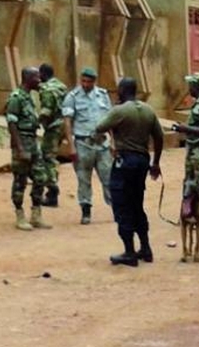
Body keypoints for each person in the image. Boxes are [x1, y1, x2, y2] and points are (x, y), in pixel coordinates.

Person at [94, 77, 163, 267]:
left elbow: (100, 127)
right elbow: (159, 136)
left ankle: (129, 252)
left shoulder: (120, 111)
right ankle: (146, 248)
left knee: (122, 205)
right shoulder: (149, 110)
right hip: (142, 161)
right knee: (137, 204)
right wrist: (155, 162)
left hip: (125, 162)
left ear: (123, 90)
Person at [62, 67, 113, 225]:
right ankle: (86, 212)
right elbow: (67, 122)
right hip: (83, 143)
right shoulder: (72, 97)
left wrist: (114, 142)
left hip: (102, 144)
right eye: (83, 81)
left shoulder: (103, 96)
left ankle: (116, 209)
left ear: (94, 81)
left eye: (88, 81)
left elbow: (110, 119)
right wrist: (71, 146)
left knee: (109, 178)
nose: (85, 84)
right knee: (84, 179)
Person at [6, 67, 51, 231]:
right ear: (28, 78)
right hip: (22, 143)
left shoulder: (30, 98)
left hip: (32, 142)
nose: (39, 80)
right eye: (36, 77)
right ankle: (20, 215)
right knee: (20, 181)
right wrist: (19, 148)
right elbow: (11, 124)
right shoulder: (16, 98)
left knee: (41, 177)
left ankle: (36, 214)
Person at [173, 72, 199, 208]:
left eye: (190, 85)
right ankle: (188, 213)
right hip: (193, 149)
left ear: (196, 86)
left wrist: (185, 129)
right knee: (189, 182)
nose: (189, 88)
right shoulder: (198, 103)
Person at [38, 63, 68, 207]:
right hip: (63, 124)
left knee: (47, 156)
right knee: (53, 155)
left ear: (43, 74)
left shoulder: (47, 89)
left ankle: (52, 190)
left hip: (53, 126)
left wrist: (36, 123)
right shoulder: (61, 86)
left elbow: (46, 111)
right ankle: (52, 184)